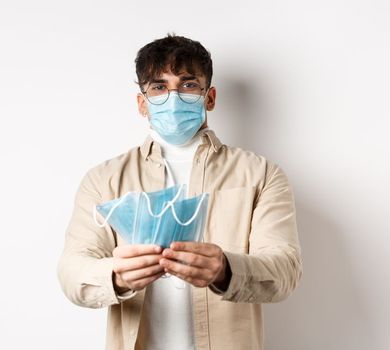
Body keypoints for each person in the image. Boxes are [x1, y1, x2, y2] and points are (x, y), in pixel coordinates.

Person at [56, 34, 302, 350]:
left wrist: (226, 270)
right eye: (159, 87)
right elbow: (71, 271)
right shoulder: (103, 179)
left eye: (187, 85)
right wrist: (116, 275)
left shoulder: (262, 174)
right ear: (142, 103)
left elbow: (285, 270)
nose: (173, 97)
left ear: (209, 97)